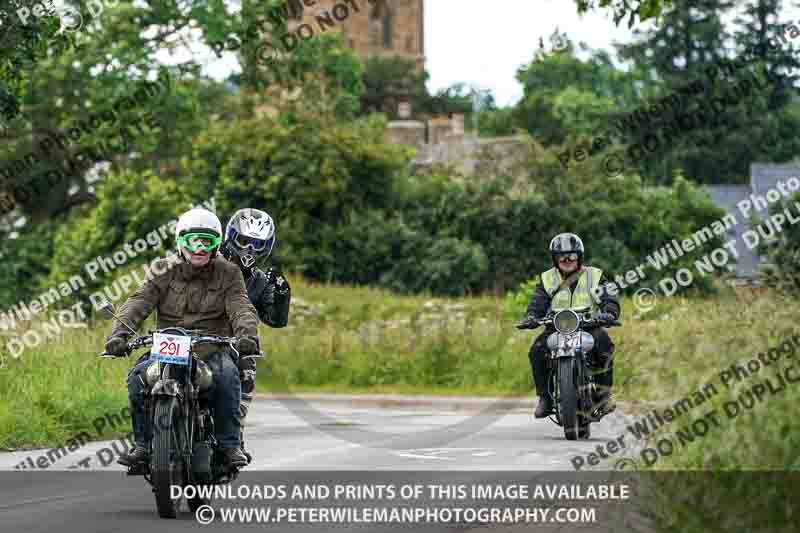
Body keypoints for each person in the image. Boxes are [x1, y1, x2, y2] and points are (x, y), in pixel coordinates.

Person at [104, 207, 260, 469]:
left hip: (211, 348)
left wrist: (247, 336)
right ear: (180, 242)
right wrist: (118, 335)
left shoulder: (229, 273)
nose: (199, 248)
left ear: (217, 244)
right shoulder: (161, 269)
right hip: (166, 347)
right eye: (192, 240)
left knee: (228, 376)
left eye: (207, 241)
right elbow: (138, 301)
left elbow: (241, 306)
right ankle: (143, 445)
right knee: (138, 377)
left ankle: (229, 445)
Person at [518, 233, 620, 420]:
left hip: (588, 325)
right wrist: (531, 317)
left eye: (571, 256)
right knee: (537, 350)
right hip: (556, 327)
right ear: (554, 259)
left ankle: (603, 396)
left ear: (579, 256)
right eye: (561, 256)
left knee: (604, 344)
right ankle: (545, 399)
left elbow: (608, 297)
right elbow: (537, 302)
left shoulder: (594, 275)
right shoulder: (548, 279)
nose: (566, 260)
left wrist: (609, 312)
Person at [220, 208, 291, 443]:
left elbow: (275, 320)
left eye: (257, 244)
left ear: (266, 248)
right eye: (243, 241)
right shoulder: (205, 263)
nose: (248, 250)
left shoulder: (259, 280)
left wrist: (281, 294)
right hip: (192, 333)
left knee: (246, 369)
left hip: (235, 344)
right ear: (230, 237)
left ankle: (233, 437)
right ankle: (148, 437)